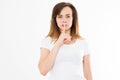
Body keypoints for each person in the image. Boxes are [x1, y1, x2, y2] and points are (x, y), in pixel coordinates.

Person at [38, 2, 93, 80]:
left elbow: (88, 74)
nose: (64, 20)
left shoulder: (83, 43)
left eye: (68, 16)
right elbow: (43, 71)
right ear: (55, 19)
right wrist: (58, 44)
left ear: (73, 18)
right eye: (60, 16)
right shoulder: (47, 41)